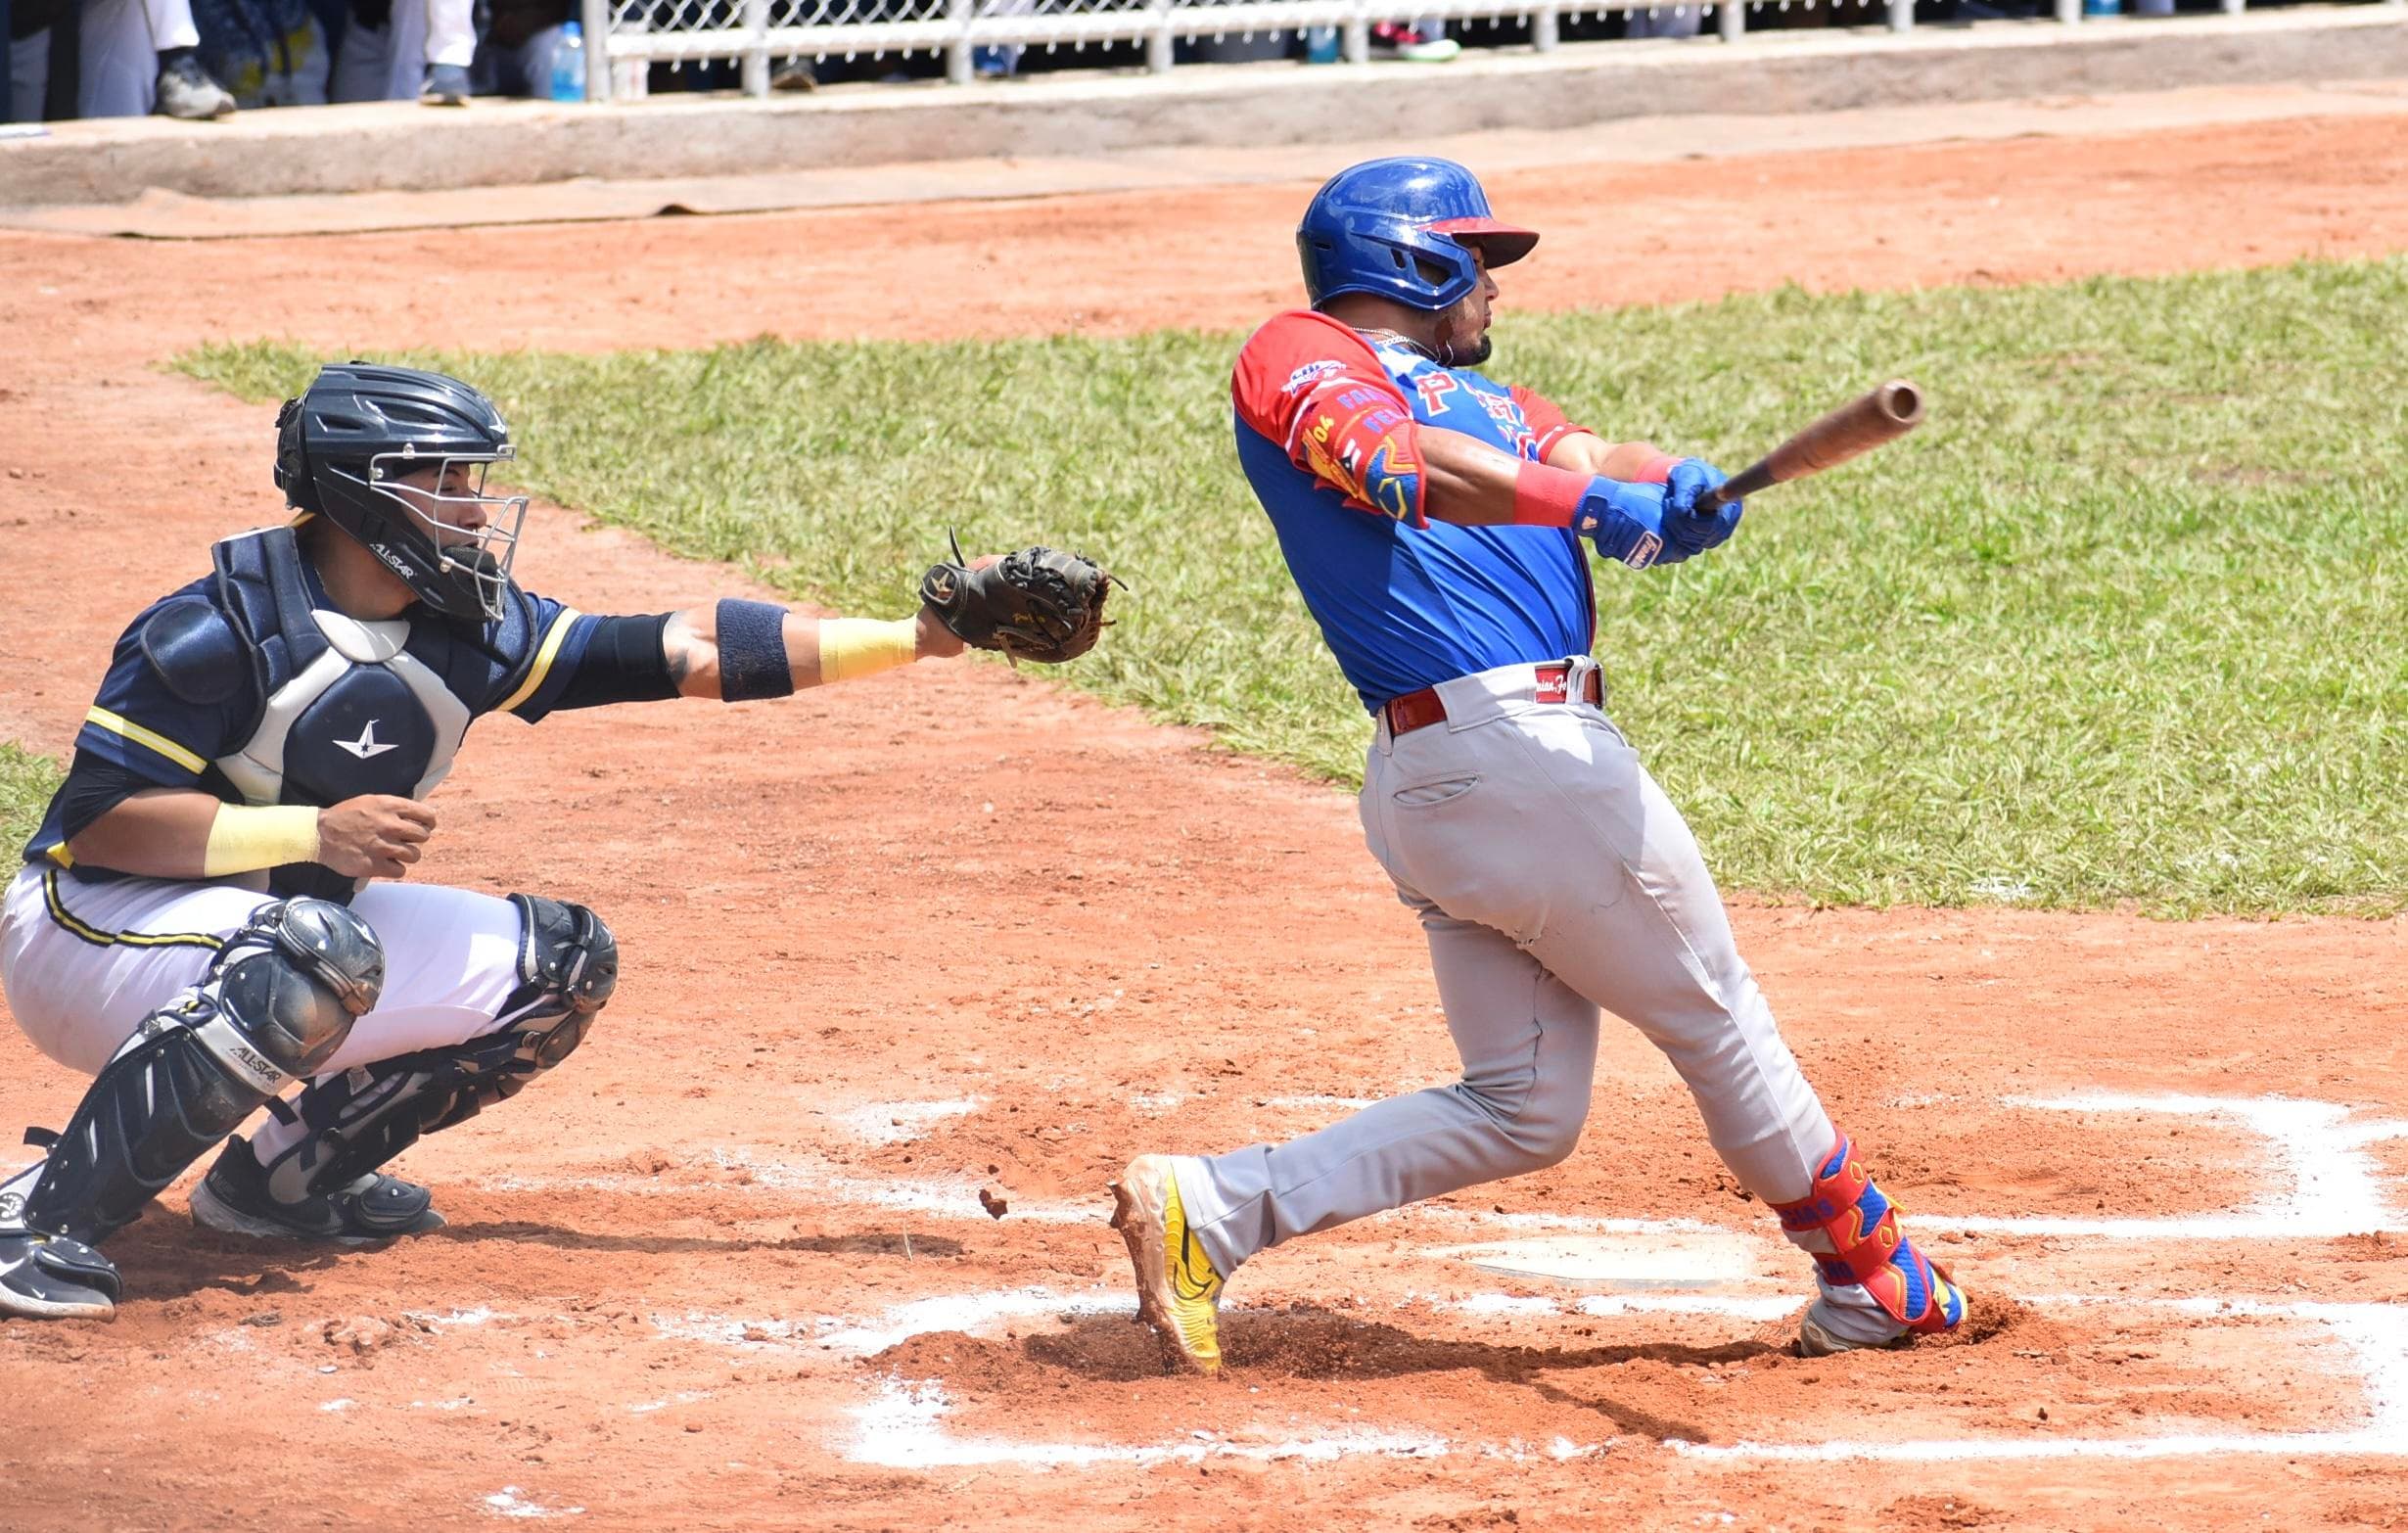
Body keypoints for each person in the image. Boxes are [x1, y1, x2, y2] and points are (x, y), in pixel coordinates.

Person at [1109, 157, 1968, 1370]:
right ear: (1414, 261)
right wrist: (1581, 505)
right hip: (1516, 759)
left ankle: (1217, 1209)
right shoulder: (1301, 354)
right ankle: (1873, 1280)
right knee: (1717, 1017)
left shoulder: (1497, 404)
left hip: (1466, 782)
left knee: (1522, 1106)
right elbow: (1397, 470)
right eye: (1481, 263)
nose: (1495, 292)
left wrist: (1669, 486)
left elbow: (1589, 451)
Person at [0, 363, 1019, 1321]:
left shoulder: (470, 626)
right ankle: (35, 1223)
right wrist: (312, 828)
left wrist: (914, 640)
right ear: (364, 495)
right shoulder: (220, 631)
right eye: (443, 481)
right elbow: (99, 826)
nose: (475, 507)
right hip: (86, 933)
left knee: (558, 965)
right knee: (306, 955)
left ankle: (279, 1182)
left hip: (268, 938)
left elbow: (695, 650)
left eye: (472, 479)